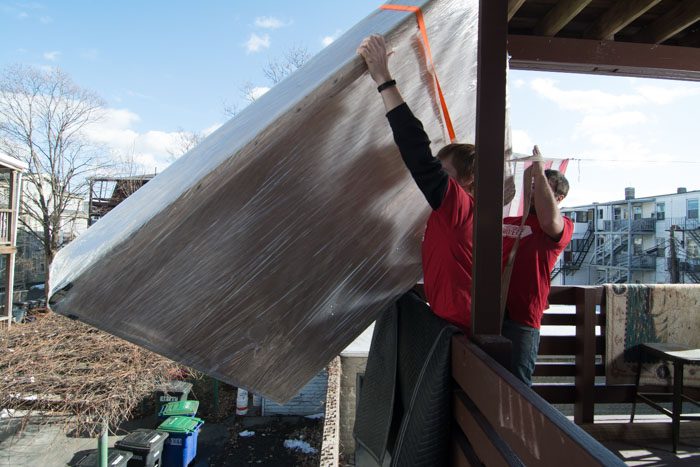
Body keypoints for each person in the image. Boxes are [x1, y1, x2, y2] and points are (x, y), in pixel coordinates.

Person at [358, 34, 475, 332]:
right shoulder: (448, 217)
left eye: (444, 172)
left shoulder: (460, 207)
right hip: (451, 326)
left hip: (461, 332)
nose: (437, 179)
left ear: (468, 178)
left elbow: (417, 153)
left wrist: (384, 79)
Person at [502, 148, 573, 385]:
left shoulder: (561, 226)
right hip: (487, 313)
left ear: (559, 199)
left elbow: (548, 220)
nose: (533, 191)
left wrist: (539, 173)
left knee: (517, 387)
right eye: (531, 186)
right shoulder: (507, 221)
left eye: (541, 187)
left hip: (522, 318)